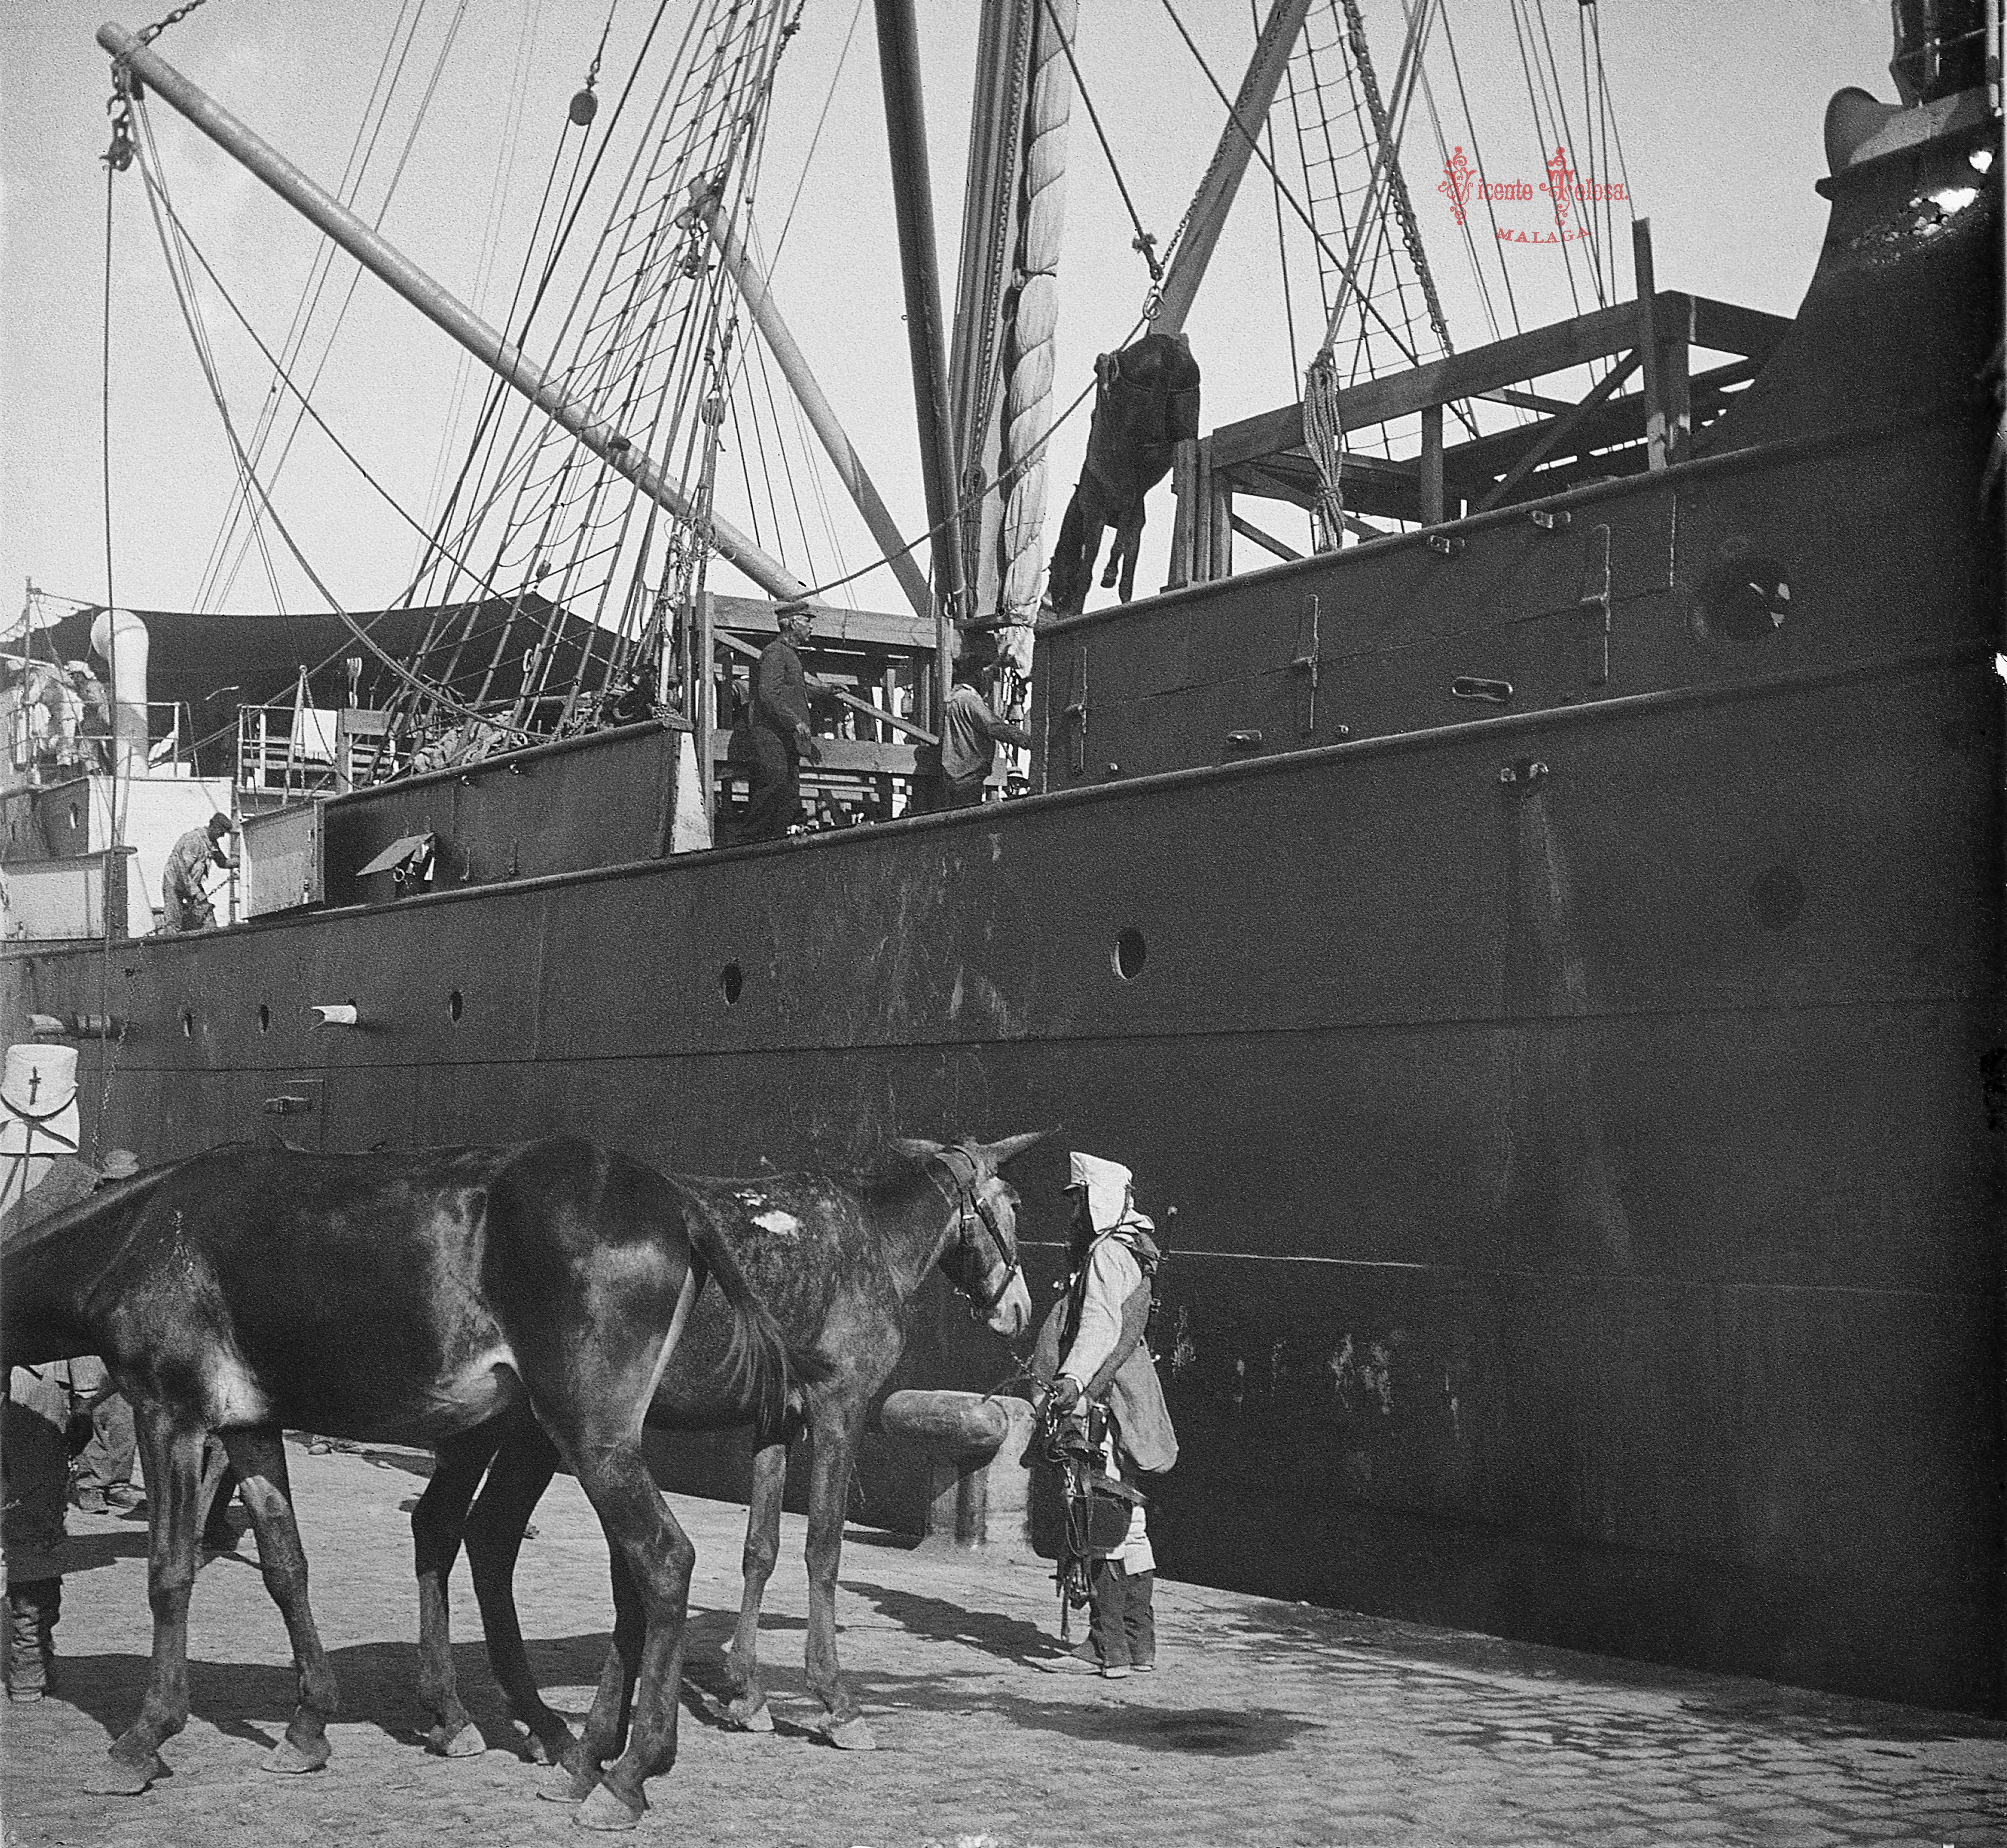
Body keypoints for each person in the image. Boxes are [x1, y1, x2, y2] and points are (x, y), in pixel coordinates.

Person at [1036, 1151, 1179, 1679]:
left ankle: (1107, 1645)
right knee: (1132, 1521)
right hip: (1133, 1396)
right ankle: (1141, 1645)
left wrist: (1071, 1382)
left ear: (1097, 1200)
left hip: (1103, 1401)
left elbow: (1098, 1327)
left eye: (1078, 1203)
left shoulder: (1103, 1256)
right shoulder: (1133, 1253)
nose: (1073, 1214)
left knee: (1099, 1514)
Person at [1, 1152, 115, 1701]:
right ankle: (28, 1663)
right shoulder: (73, 1188)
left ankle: (27, 1658)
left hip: (33, 1378)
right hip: (39, 1380)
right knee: (34, 1526)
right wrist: (91, 1397)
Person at [738, 600, 822, 843]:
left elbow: (794, 691)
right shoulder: (775, 653)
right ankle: (752, 839)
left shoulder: (789, 655)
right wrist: (795, 721)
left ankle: (776, 839)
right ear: (793, 624)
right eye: (807, 622)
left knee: (789, 787)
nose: (811, 628)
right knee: (774, 781)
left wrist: (826, 691)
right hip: (770, 733)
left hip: (786, 734)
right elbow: (768, 694)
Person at [939, 653, 1032, 810]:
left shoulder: (954, 699)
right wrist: (1027, 740)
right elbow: (993, 727)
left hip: (957, 775)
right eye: (987, 676)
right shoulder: (968, 699)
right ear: (978, 675)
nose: (988, 682)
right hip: (967, 777)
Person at [161, 812, 233, 933]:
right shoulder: (194, 840)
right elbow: (182, 871)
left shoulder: (211, 843)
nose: (222, 836)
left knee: (206, 917)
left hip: (192, 884)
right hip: (175, 884)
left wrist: (243, 862)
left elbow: (223, 863)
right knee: (174, 922)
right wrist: (196, 893)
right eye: (221, 832)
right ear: (214, 826)